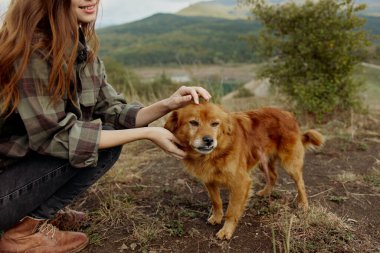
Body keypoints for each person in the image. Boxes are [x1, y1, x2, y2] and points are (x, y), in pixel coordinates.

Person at [0, 0, 211, 252]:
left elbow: (115, 111)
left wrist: (168, 104)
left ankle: (35, 212)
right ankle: (23, 233)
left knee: (110, 137)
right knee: (106, 141)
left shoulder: (79, 48)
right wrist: (146, 133)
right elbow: (55, 136)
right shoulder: (32, 51)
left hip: (20, 175)